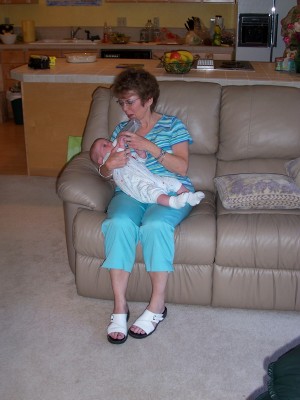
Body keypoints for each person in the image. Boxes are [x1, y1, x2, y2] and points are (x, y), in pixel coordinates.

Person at [98, 67, 203, 344]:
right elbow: (109, 172)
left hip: (169, 188)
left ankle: (157, 306)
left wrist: (151, 146)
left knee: (155, 225)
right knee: (118, 223)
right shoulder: (121, 129)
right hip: (132, 192)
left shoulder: (173, 125)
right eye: (121, 103)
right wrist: (108, 166)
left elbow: (182, 166)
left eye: (130, 101)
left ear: (148, 99)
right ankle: (120, 306)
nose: (125, 109)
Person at [90, 136, 205, 209]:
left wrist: (141, 154)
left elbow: (139, 162)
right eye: (105, 145)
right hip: (137, 184)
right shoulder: (108, 158)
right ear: (101, 159)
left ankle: (189, 196)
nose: (110, 143)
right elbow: (104, 171)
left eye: (108, 141)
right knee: (154, 193)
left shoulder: (122, 152)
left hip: (150, 176)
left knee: (171, 181)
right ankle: (173, 202)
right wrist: (120, 142)